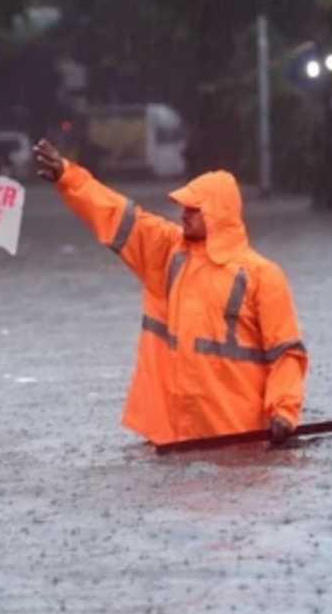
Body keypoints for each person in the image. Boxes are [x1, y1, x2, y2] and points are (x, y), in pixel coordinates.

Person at [33, 138, 309, 447]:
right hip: (173, 436)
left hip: (238, 438)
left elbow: (286, 352)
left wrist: (283, 412)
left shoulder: (263, 275)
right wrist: (68, 177)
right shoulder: (168, 252)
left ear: (218, 214)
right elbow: (118, 215)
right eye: (184, 208)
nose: (184, 214)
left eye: (194, 209)